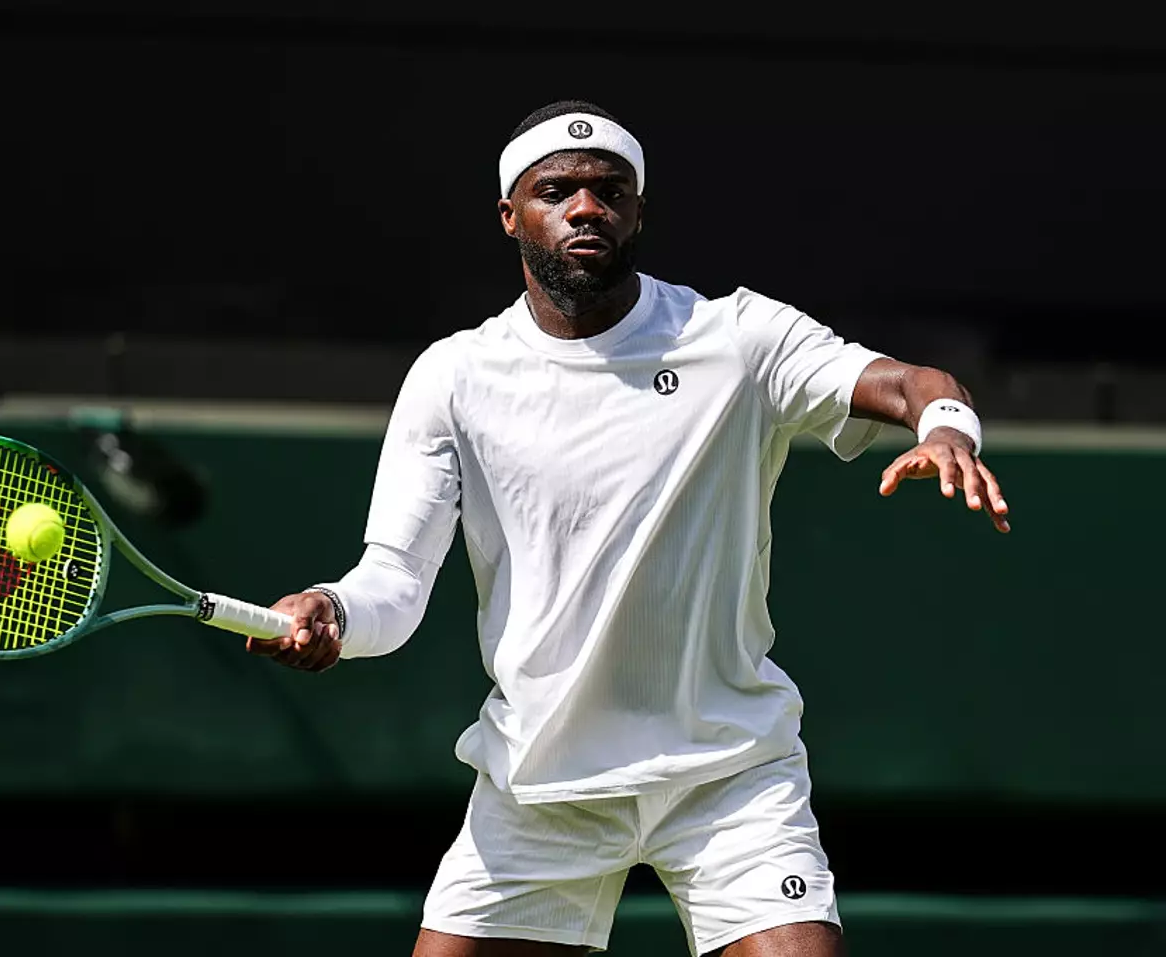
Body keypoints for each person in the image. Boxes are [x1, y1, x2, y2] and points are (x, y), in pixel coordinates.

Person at [250, 100, 1010, 957]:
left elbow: (913, 382)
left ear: (638, 212)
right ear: (511, 216)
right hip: (541, 783)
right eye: (557, 190)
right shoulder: (454, 377)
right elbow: (391, 582)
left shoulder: (739, 338)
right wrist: (331, 612)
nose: (585, 207)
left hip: (729, 777)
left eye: (609, 191)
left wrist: (947, 427)